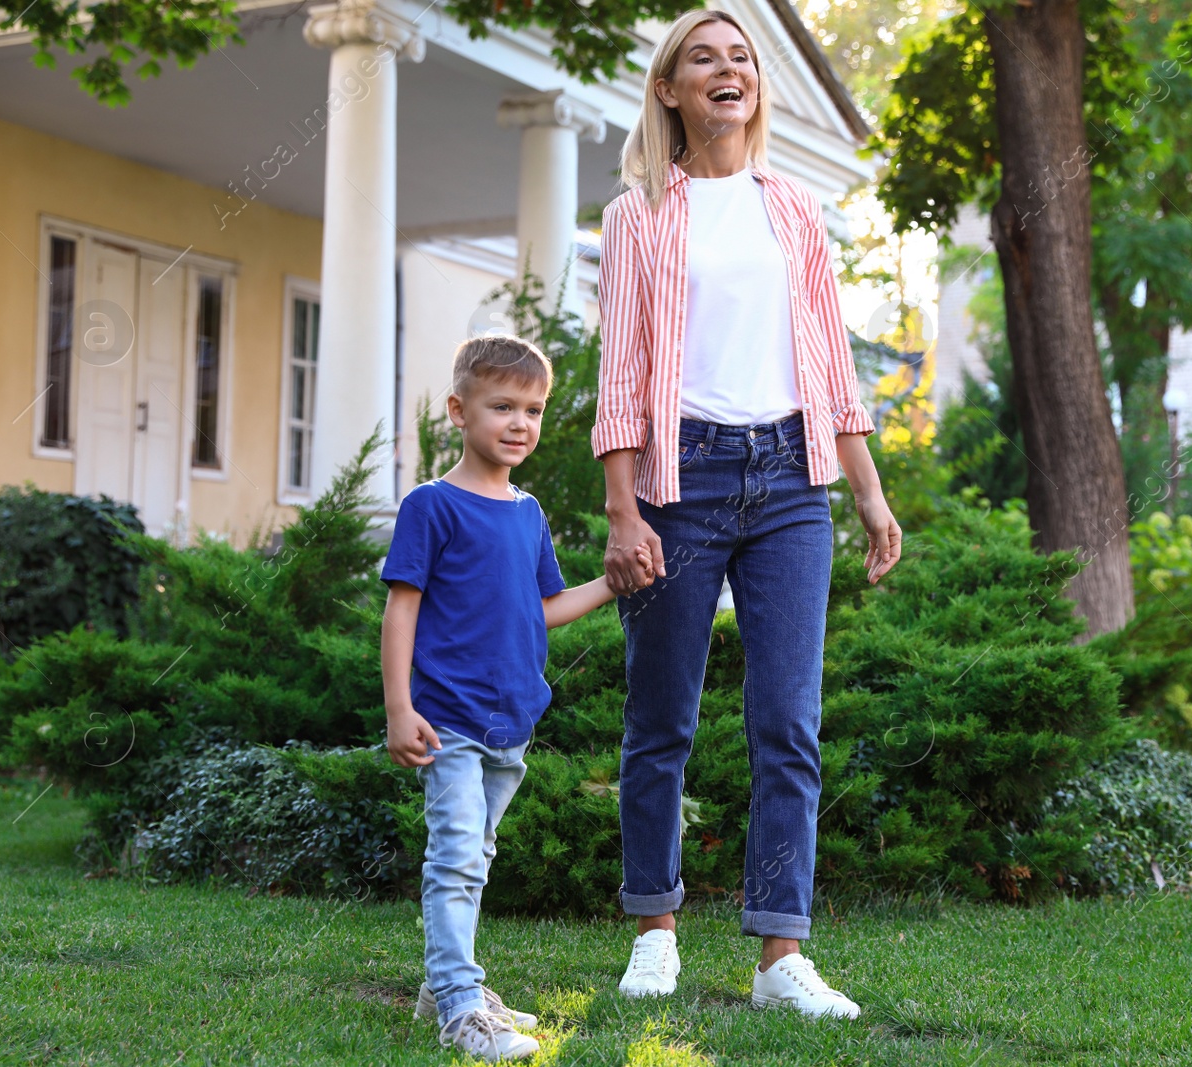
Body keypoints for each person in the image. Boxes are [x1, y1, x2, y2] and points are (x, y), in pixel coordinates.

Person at [592, 9, 903, 1020]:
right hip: (680, 476)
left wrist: (865, 487)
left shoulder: (795, 209)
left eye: (742, 59)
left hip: (788, 481)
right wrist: (623, 507)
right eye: (703, 60)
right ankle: (654, 928)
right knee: (661, 719)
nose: (727, 72)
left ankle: (780, 955)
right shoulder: (639, 212)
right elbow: (623, 372)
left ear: (754, 87)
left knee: (786, 723)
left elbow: (829, 359)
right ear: (670, 90)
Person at [381, 334, 651, 1062]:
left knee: (478, 850)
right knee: (458, 856)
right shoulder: (430, 506)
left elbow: (544, 607)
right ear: (457, 410)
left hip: (511, 720)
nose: (520, 423)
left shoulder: (527, 514)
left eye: (532, 409)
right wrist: (399, 708)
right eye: (502, 405)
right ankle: (462, 1007)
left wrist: (612, 584)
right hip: (447, 720)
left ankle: (444, 985)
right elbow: (400, 609)